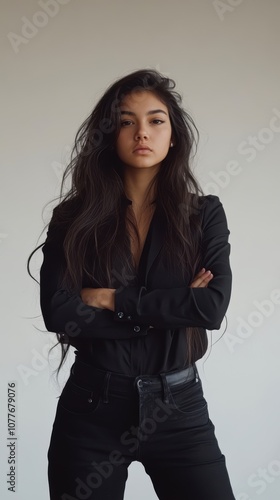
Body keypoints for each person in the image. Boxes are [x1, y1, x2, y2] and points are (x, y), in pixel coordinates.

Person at [32, 69, 235, 499]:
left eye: (156, 120)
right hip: (91, 410)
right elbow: (61, 313)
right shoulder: (73, 218)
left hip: (179, 408)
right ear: (109, 134)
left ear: (174, 134)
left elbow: (211, 307)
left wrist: (110, 298)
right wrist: (174, 307)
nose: (142, 132)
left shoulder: (205, 215)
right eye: (126, 121)